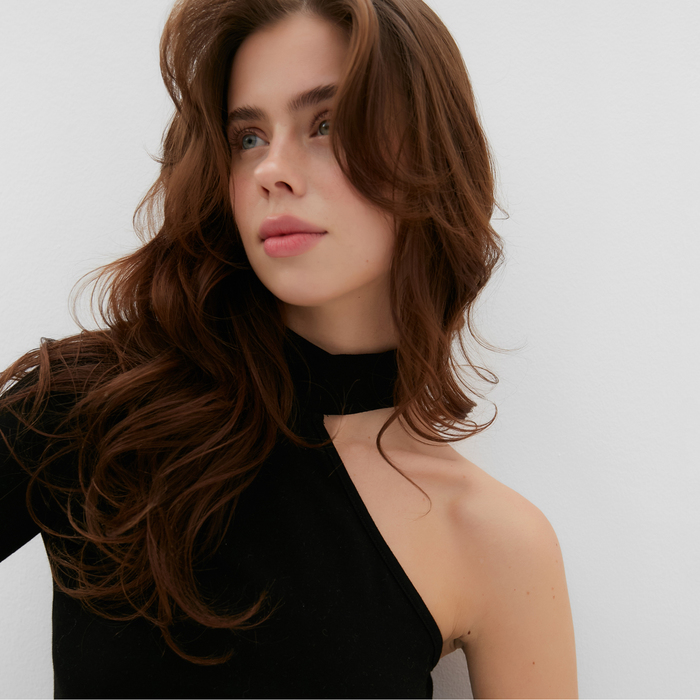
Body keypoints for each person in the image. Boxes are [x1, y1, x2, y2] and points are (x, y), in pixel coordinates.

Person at [0, 0, 577, 697]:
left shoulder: (495, 540)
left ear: (430, 153)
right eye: (248, 137)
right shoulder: (92, 411)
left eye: (326, 124)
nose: (271, 169)